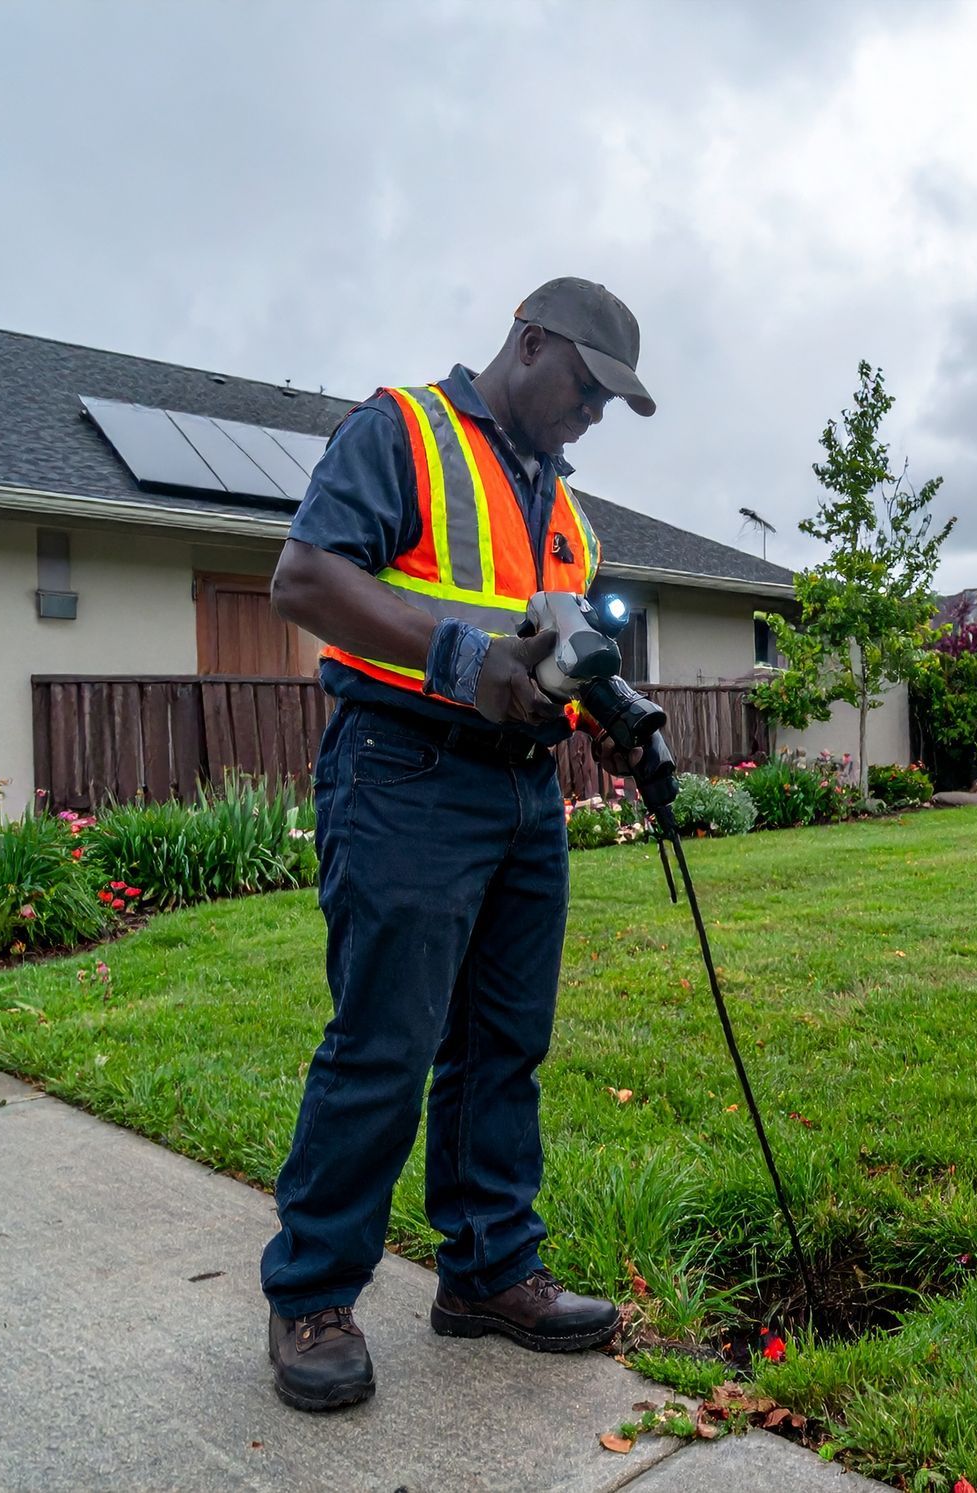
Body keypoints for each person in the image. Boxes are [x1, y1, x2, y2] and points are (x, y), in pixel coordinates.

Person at [259, 278, 655, 1412]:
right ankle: (313, 1293)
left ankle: (486, 1270)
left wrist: (611, 724)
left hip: (523, 796)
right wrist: (459, 661)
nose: (590, 416)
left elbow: (553, 653)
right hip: (406, 772)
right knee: (383, 1040)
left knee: (501, 1044)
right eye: (586, 387)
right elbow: (305, 578)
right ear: (531, 343)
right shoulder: (404, 432)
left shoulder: (565, 514)